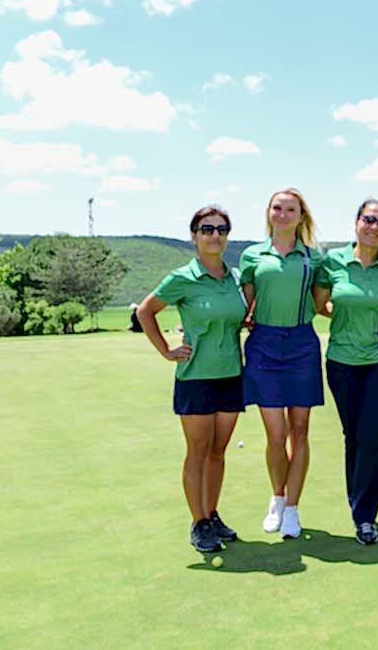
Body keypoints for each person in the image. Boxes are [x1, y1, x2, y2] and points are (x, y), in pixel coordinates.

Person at [135, 206, 246, 553]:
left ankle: (211, 514)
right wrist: (166, 350)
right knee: (198, 452)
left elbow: (238, 316)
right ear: (194, 236)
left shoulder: (235, 277)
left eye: (221, 229)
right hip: (196, 376)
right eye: (207, 229)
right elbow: (145, 311)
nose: (215, 235)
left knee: (218, 452)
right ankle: (198, 523)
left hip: (231, 375)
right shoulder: (183, 277)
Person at [315, 199, 378, 546]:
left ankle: (365, 516)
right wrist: (347, 315)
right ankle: (358, 505)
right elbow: (318, 304)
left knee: (372, 436)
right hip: (342, 362)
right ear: (356, 222)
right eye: (369, 219)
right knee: (353, 436)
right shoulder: (333, 261)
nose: (374, 227)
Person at [240, 187, 325, 540]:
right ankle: (277, 498)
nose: (283, 214)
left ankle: (292, 507)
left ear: (301, 216)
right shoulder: (252, 255)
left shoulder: (314, 259)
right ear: (269, 212)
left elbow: (320, 303)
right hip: (264, 345)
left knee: (300, 431)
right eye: (277, 208)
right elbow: (244, 304)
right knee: (276, 434)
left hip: (302, 344)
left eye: (291, 209)